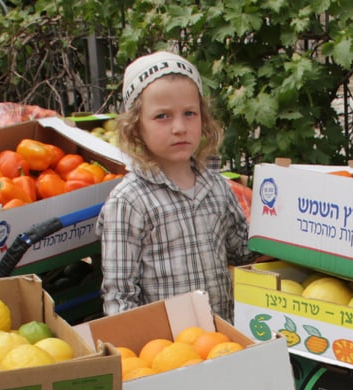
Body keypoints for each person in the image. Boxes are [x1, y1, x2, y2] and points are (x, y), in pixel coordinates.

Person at [98, 51, 252, 321]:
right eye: (162, 116)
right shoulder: (130, 202)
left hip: (224, 340)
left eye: (189, 113)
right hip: (169, 349)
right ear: (135, 127)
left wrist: (283, 225)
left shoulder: (217, 187)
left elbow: (243, 253)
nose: (180, 127)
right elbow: (119, 297)